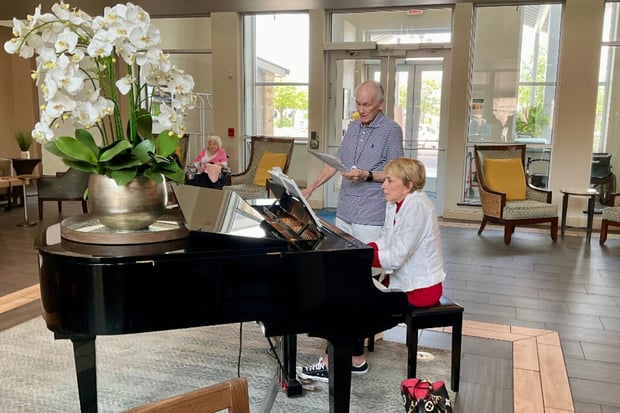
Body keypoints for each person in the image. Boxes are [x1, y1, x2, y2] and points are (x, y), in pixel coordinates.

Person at [298, 158, 446, 383]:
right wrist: (361, 250)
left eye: (389, 180)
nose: (382, 185)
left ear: (408, 186)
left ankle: (334, 365)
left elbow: (396, 256)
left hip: (421, 288)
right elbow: (385, 240)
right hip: (401, 279)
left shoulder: (417, 206)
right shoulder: (395, 203)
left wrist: (360, 257)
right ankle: (355, 359)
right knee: (348, 290)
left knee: (352, 300)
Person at [302, 79, 404, 243]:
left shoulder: (391, 130)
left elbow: (398, 174)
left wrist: (367, 175)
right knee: (344, 262)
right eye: (358, 104)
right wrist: (311, 188)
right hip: (344, 212)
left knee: (367, 265)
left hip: (370, 217)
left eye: (366, 105)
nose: (361, 110)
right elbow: (337, 162)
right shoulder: (353, 126)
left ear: (380, 104)